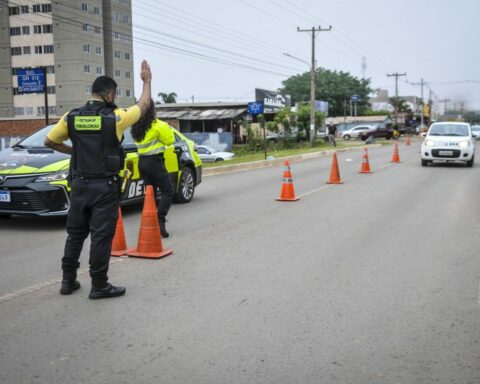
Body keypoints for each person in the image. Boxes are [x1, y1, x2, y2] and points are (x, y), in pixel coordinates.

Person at [44, 60, 152, 300]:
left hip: (79, 185)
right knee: (101, 236)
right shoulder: (116, 117)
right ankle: (99, 285)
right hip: (104, 187)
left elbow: (49, 142)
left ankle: (68, 281)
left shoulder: (70, 117)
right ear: (110, 94)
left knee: (75, 234)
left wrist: (75, 152)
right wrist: (147, 81)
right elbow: (143, 106)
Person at [131, 100, 175, 238]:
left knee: (150, 194)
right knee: (167, 190)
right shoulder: (158, 125)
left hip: (142, 162)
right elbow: (170, 141)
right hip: (154, 162)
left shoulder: (137, 127)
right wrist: (169, 128)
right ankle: (160, 219)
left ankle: (150, 224)